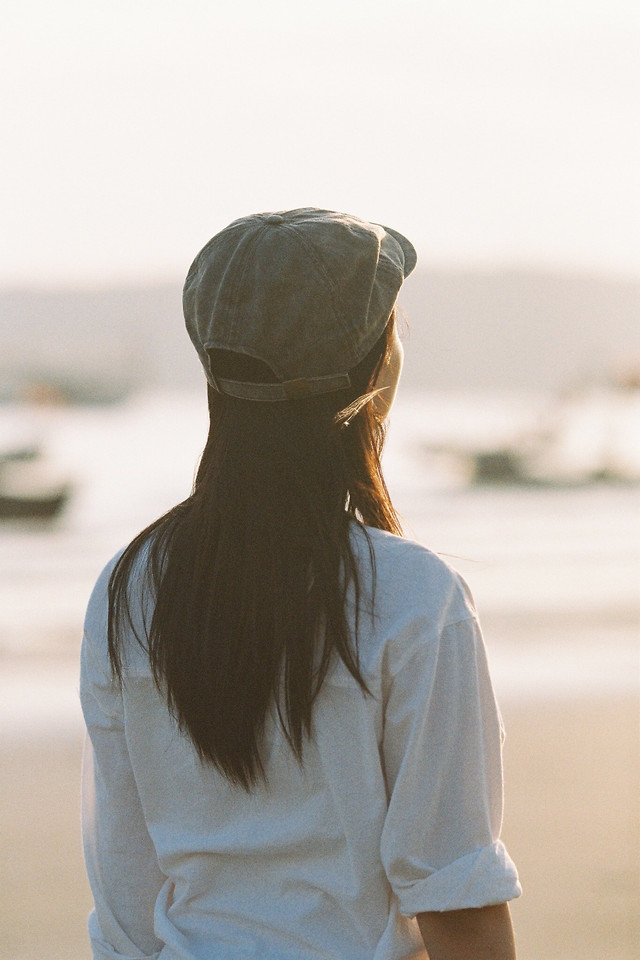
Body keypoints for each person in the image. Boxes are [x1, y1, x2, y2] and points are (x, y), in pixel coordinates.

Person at [80, 208, 521, 960]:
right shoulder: (413, 599)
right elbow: (457, 900)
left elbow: (125, 902)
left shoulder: (131, 589)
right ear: (369, 370)